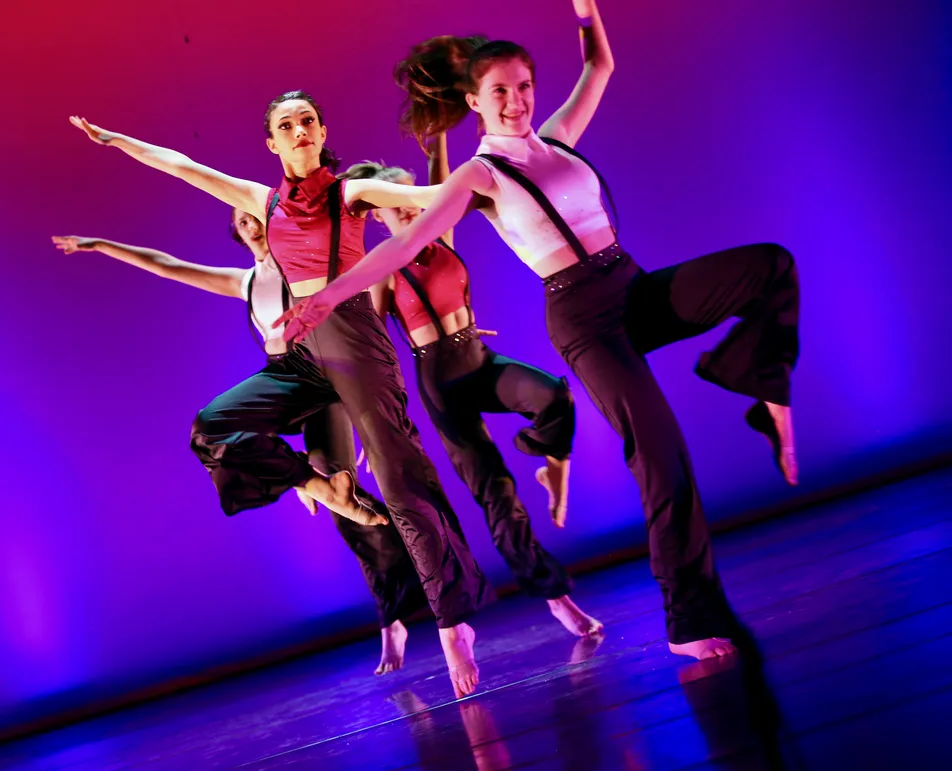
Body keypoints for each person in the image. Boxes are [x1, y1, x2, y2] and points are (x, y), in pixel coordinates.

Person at [276, 0, 800, 661]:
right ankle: (690, 622)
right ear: (474, 100)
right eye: (501, 92)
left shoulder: (554, 137)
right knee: (662, 460)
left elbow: (599, 63)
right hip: (585, 318)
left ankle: (759, 381)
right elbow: (401, 251)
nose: (518, 101)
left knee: (770, 267)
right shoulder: (478, 175)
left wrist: (584, 8)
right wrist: (330, 296)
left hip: (632, 286)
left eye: (525, 87)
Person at [69, 89, 493, 697]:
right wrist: (117, 142)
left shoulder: (350, 192)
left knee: (400, 479)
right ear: (272, 142)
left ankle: (452, 624)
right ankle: (316, 483)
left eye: (308, 122)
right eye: (286, 126)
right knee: (212, 425)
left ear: (321, 132)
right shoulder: (260, 200)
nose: (299, 131)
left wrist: (478, 172)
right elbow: (184, 168)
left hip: (351, 337)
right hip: (299, 350)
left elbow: (424, 199)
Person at [50, 212, 426, 674]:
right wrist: (102, 243)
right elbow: (167, 265)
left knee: (352, 511)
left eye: (257, 214)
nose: (250, 220)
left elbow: (362, 327)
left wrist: (368, 415)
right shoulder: (245, 282)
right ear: (238, 232)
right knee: (213, 431)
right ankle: (309, 484)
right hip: (288, 383)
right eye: (241, 218)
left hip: (327, 386)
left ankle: (393, 612)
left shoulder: (306, 269)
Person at [342, 132, 601, 638]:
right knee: (498, 496)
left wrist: (436, 127)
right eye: (398, 210)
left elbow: (443, 175)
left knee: (554, 395)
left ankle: (548, 464)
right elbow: (376, 355)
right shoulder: (385, 274)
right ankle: (558, 599)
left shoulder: (445, 239)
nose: (413, 214)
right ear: (380, 214)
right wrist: (371, 429)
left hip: (479, 360)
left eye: (417, 203)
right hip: (442, 385)